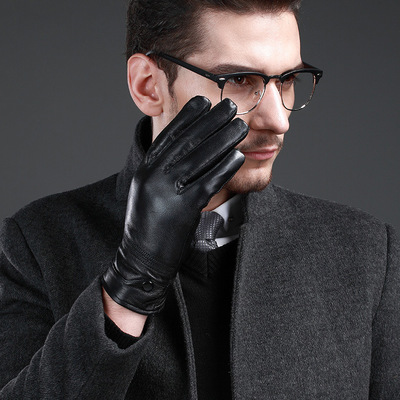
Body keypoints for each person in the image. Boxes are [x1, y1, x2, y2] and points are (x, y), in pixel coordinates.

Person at [0, 0, 399, 398]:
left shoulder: (367, 253)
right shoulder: (34, 245)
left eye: (288, 79)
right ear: (148, 85)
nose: (279, 120)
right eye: (239, 79)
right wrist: (131, 282)